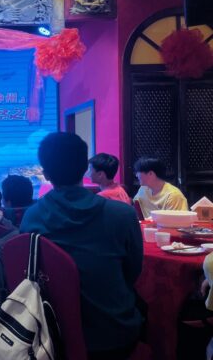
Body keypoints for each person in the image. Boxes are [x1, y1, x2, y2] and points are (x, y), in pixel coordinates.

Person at [21, 132, 143, 359]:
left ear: (46, 174)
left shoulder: (32, 217)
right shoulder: (124, 215)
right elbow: (133, 271)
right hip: (115, 332)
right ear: (84, 169)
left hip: (53, 335)